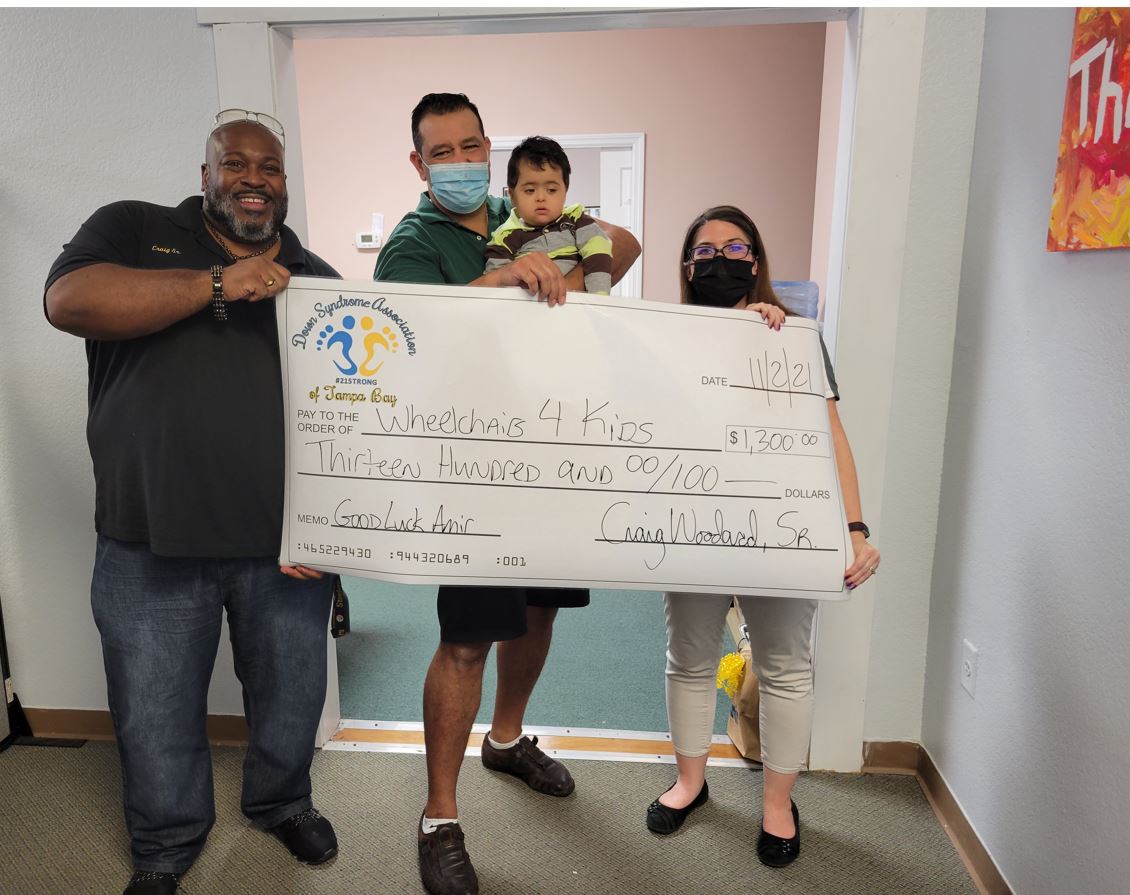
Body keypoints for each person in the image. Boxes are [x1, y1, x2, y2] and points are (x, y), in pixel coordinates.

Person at [45, 111, 341, 895]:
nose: (253, 178)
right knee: (152, 705)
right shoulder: (135, 229)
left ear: (284, 183)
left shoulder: (316, 277)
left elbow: (354, 417)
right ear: (205, 174)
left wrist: (332, 529)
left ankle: (282, 801)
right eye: (234, 163)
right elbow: (68, 301)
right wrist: (219, 283)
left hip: (284, 543)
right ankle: (165, 841)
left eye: (269, 167)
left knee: (292, 694)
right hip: (148, 534)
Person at [373, 93, 640, 895]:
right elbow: (409, 338)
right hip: (474, 468)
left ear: (489, 148)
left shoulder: (521, 209)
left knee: (539, 609)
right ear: (418, 163)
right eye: (441, 151)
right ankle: (439, 816)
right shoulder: (412, 243)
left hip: (554, 453)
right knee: (466, 638)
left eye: (471, 147)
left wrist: (561, 266)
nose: (460, 162)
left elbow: (623, 246)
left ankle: (506, 738)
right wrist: (499, 278)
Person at [644, 205, 881, 868]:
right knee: (688, 656)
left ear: (755, 262)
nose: (720, 259)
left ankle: (778, 804)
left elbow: (830, 435)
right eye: (705, 250)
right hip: (692, 524)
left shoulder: (794, 336)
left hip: (780, 526)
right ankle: (690, 781)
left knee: (784, 666)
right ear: (687, 266)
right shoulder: (665, 336)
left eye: (735, 248)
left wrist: (853, 528)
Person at [485, 136, 613, 295]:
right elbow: (496, 287)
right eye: (530, 190)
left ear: (565, 192)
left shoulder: (578, 221)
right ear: (512, 196)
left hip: (579, 307)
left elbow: (599, 251)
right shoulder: (503, 237)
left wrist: (599, 297)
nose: (541, 197)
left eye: (551, 190)